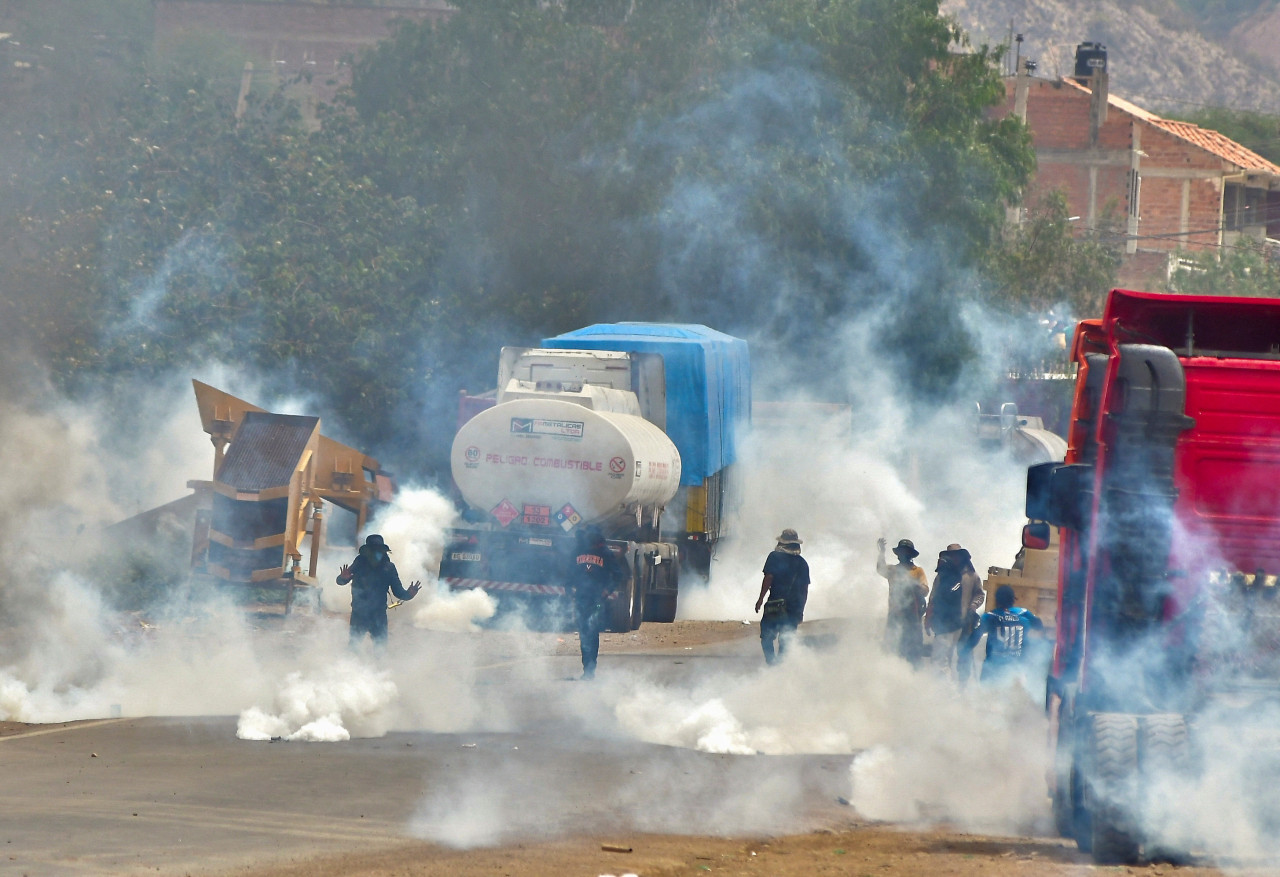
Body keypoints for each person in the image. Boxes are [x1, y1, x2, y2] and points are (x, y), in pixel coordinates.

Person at [336, 534, 421, 649]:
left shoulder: (389, 568)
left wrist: (409, 595)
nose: (376, 553)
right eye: (373, 550)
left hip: (379, 614)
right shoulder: (359, 563)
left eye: (378, 550)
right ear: (367, 551)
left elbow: (398, 592)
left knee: (380, 648)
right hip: (359, 614)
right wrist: (342, 578)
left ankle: (378, 667)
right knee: (354, 646)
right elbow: (340, 581)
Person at [567, 526, 628, 680]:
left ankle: (590, 669)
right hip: (582, 598)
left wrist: (607, 591)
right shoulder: (578, 552)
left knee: (592, 632)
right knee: (584, 633)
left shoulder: (605, 554)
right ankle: (587, 667)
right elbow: (569, 572)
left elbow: (618, 575)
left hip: (597, 600)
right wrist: (570, 589)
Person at [925, 543, 985, 678]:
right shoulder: (942, 576)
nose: (954, 558)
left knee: (963, 655)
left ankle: (962, 685)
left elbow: (980, 594)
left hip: (965, 622)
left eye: (956, 555)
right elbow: (933, 597)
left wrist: (973, 606)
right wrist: (929, 617)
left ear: (962, 557)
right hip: (947, 622)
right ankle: (947, 686)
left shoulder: (971, 575)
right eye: (951, 556)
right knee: (945, 655)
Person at [754, 528, 811, 665]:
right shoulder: (803, 564)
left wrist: (760, 599)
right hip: (793, 608)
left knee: (767, 637)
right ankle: (780, 667)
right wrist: (801, 611)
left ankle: (771, 663)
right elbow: (804, 590)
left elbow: (769, 578)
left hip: (774, 604)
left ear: (782, 543)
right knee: (786, 639)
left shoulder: (774, 557)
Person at [967, 584, 1044, 684]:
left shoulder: (990, 616)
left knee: (987, 697)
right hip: (1017, 670)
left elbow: (973, 640)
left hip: (993, 670)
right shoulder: (1024, 613)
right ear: (1013, 600)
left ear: (997, 600)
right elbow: (1039, 626)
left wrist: (964, 647)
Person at [876, 537, 929, 666]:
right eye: (901, 552)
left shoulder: (917, 571)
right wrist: (881, 552)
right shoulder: (893, 570)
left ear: (910, 554)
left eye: (905, 552)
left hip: (912, 615)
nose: (902, 555)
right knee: (893, 644)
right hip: (895, 614)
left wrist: (913, 584)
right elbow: (880, 569)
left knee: (913, 646)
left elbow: (925, 590)